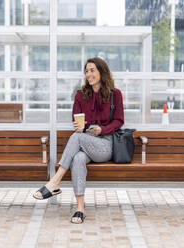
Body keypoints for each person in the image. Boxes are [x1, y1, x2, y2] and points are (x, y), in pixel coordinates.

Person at [33, 57, 124, 224]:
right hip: (86, 142)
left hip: (105, 145)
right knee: (78, 158)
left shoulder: (114, 94)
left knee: (77, 137)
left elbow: (119, 121)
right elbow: (77, 121)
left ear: (101, 72)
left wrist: (102, 130)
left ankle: (55, 182)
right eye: (87, 71)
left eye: (92, 70)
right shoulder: (80, 96)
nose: (88, 74)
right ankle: (80, 208)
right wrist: (81, 126)